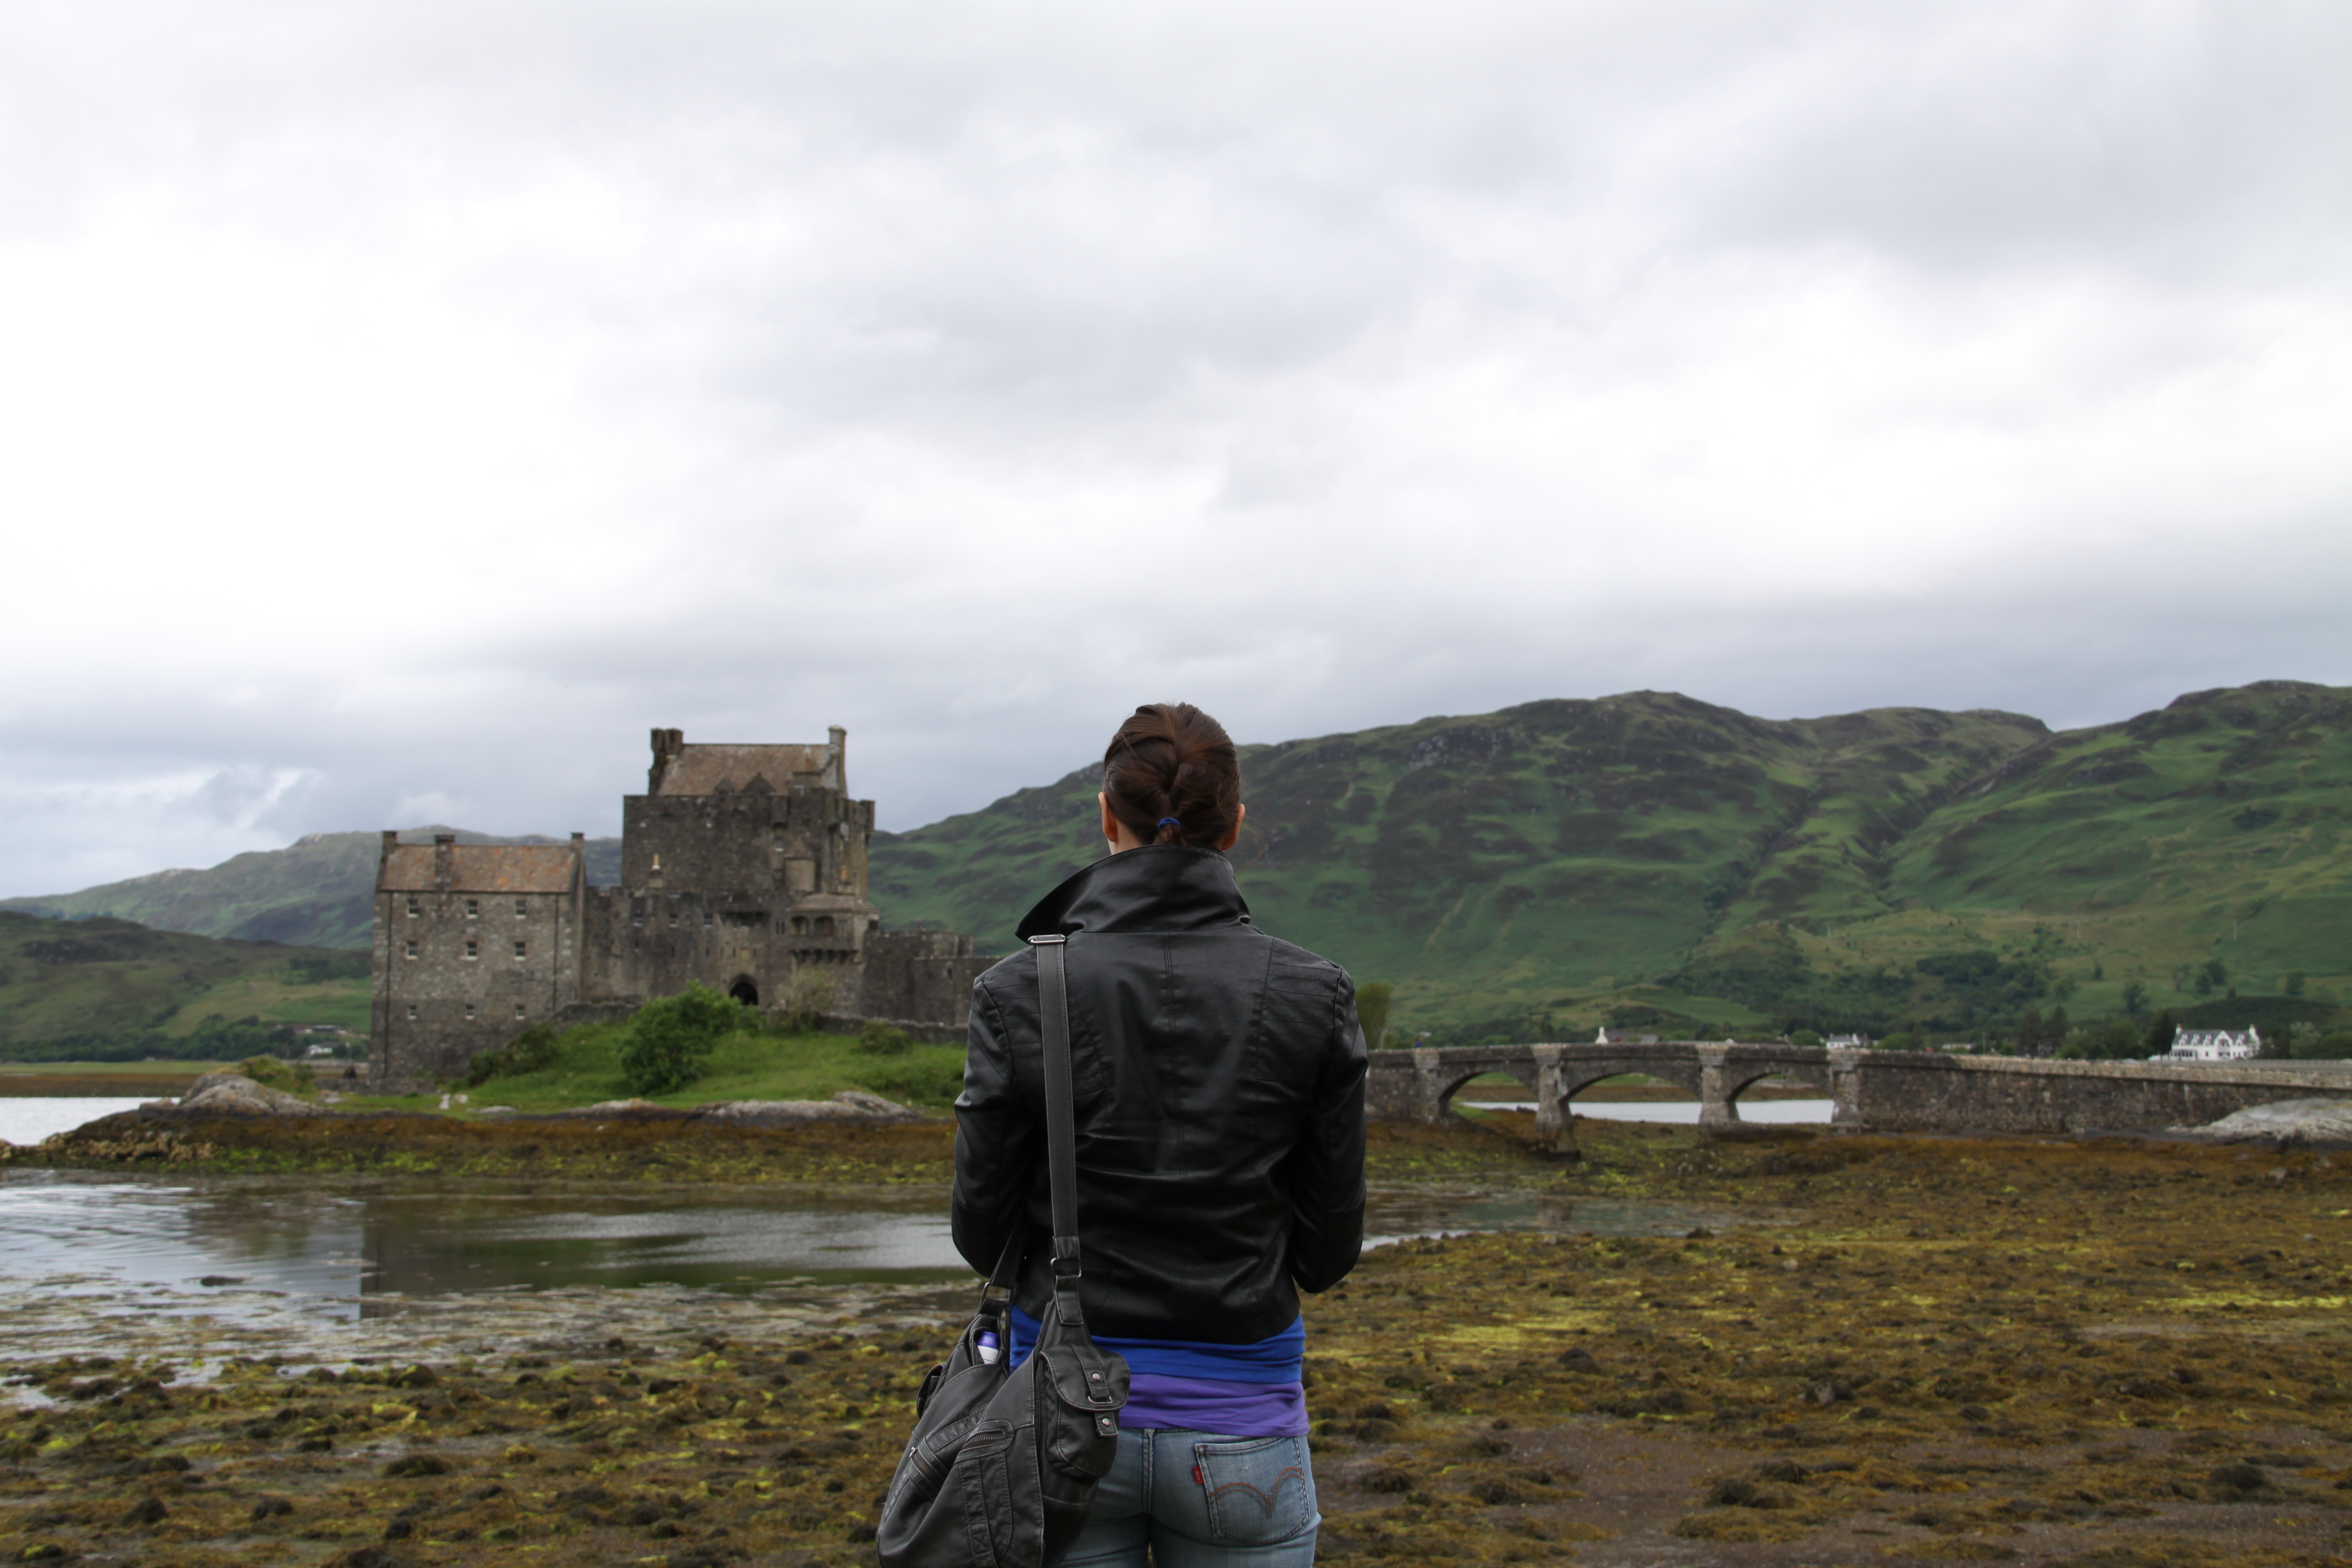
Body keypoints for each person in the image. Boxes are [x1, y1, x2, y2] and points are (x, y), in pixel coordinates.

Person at [952, 702, 1369, 1568]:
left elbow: (981, 1233)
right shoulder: (1317, 993)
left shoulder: (1017, 990)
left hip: (1057, 1420)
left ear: (1107, 816)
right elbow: (1327, 1256)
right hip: (1244, 1426)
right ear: (1235, 826)